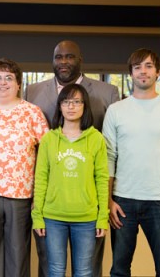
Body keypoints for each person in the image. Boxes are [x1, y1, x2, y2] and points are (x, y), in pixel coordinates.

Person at [24, 40, 119, 277]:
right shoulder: (33, 94)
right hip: (52, 209)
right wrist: (38, 211)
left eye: (69, 57)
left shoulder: (106, 98)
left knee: (86, 269)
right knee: (52, 268)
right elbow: (41, 173)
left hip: (86, 210)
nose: (63, 62)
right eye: (59, 57)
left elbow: (103, 171)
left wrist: (102, 212)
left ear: (80, 59)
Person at [102, 48, 160, 277]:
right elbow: (108, 158)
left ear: (158, 72)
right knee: (119, 270)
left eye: (149, 66)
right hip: (123, 202)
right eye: (138, 67)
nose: (143, 71)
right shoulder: (115, 110)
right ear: (131, 73)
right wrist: (108, 200)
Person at [0, 58, 49, 277]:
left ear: (19, 84)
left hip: (22, 196)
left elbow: (47, 156)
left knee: (18, 253)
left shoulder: (33, 113)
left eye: (9, 78)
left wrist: (39, 196)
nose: (3, 82)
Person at [32, 84, 109, 277]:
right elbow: (41, 178)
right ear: (60, 106)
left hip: (86, 219)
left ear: (85, 106)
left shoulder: (96, 139)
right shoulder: (49, 139)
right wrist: (38, 216)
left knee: (84, 272)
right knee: (55, 271)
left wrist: (102, 217)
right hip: (53, 218)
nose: (71, 106)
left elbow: (101, 179)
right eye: (66, 102)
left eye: (76, 102)